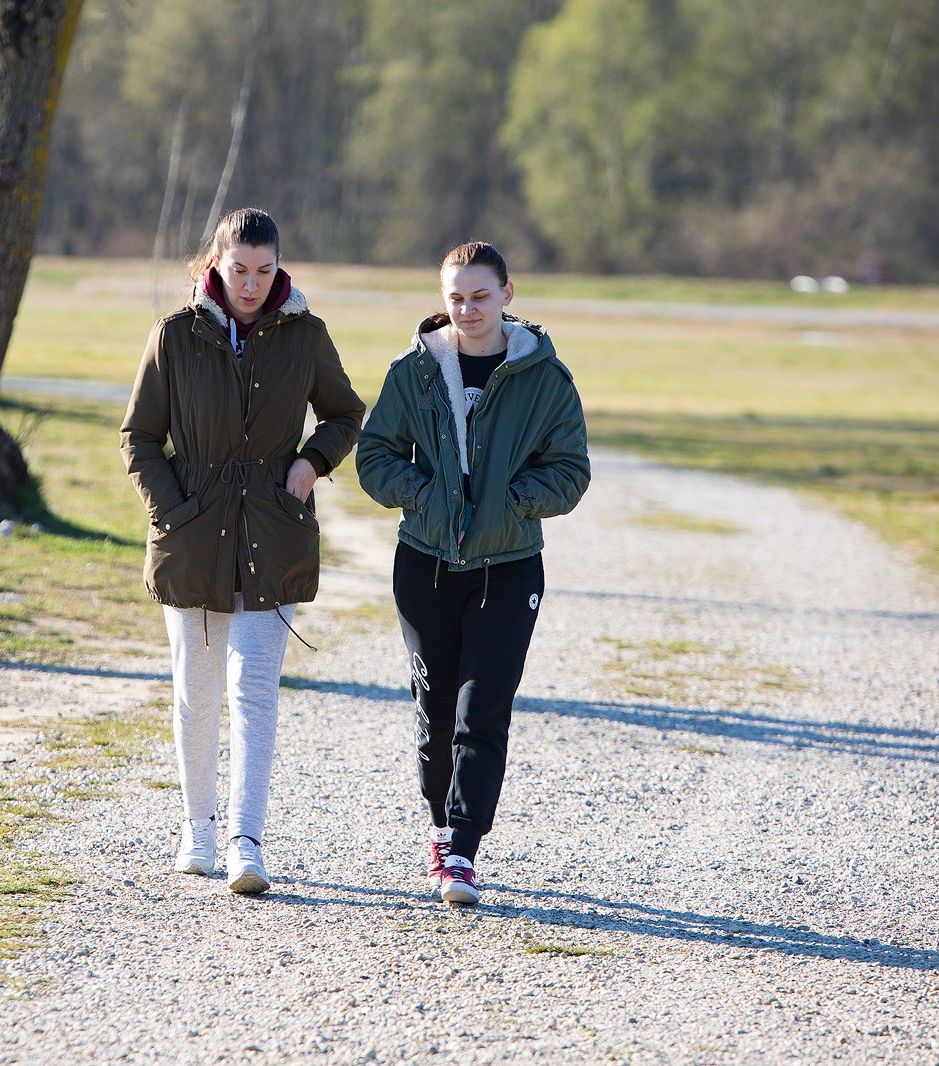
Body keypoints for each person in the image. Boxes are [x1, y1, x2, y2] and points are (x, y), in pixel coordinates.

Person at [121, 208, 365, 894]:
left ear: (278, 267)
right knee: (196, 696)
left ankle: (246, 843)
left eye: (264, 271)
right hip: (192, 539)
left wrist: (310, 465)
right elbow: (138, 437)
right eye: (239, 270)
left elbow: (346, 413)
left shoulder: (306, 336)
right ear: (216, 265)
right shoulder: (174, 335)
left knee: (252, 692)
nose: (251, 285)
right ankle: (196, 829)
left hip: (272, 533)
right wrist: (174, 511)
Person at [355, 241, 589, 906]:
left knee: (481, 712)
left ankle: (461, 849)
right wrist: (427, 496)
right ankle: (438, 826)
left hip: (509, 569)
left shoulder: (545, 378)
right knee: (433, 712)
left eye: (481, 295)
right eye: (455, 297)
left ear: (508, 295)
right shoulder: (414, 371)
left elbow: (570, 470)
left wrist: (511, 503)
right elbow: (375, 455)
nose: (467, 308)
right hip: (424, 566)